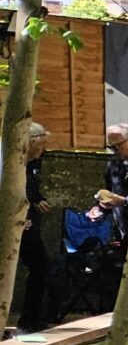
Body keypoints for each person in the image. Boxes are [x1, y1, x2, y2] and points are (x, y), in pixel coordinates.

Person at [15, 122, 53, 332]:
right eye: (41, 144)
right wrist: (16, 218)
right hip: (15, 226)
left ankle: (31, 319)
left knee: (41, 267)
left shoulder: (32, 163)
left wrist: (38, 201)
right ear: (29, 142)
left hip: (28, 226)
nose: (44, 149)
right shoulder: (11, 163)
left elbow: (30, 191)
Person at [95, 124, 128, 243]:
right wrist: (100, 208)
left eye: (117, 145)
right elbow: (110, 193)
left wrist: (124, 201)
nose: (114, 150)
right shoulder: (113, 166)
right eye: (110, 146)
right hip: (123, 233)